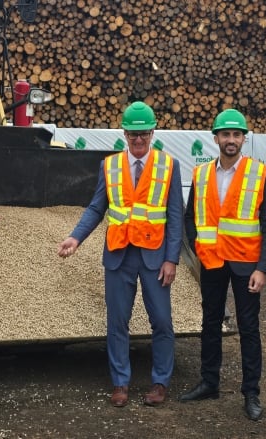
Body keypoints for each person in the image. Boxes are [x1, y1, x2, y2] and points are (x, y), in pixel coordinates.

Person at [57, 101, 183, 408]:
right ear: (124, 134)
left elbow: (176, 215)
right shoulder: (109, 165)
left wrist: (172, 259)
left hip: (154, 255)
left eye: (143, 134)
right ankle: (120, 383)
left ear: (152, 132)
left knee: (163, 322)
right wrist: (76, 237)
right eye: (132, 134)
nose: (138, 140)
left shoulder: (169, 165)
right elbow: (97, 207)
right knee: (117, 322)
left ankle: (160, 382)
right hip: (118, 255)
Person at [179, 108, 266, 422]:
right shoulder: (202, 174)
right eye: (226, 134)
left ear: (243, 138)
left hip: (247, 264)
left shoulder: (258, 174)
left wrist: (263, 268)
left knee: (249, 329)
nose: (231, 140)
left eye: (236, 135)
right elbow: (190, 217)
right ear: (216, 138)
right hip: (212, 262)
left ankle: (251, 392)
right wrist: (197, 248)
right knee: (210, 323)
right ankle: (209, 382)